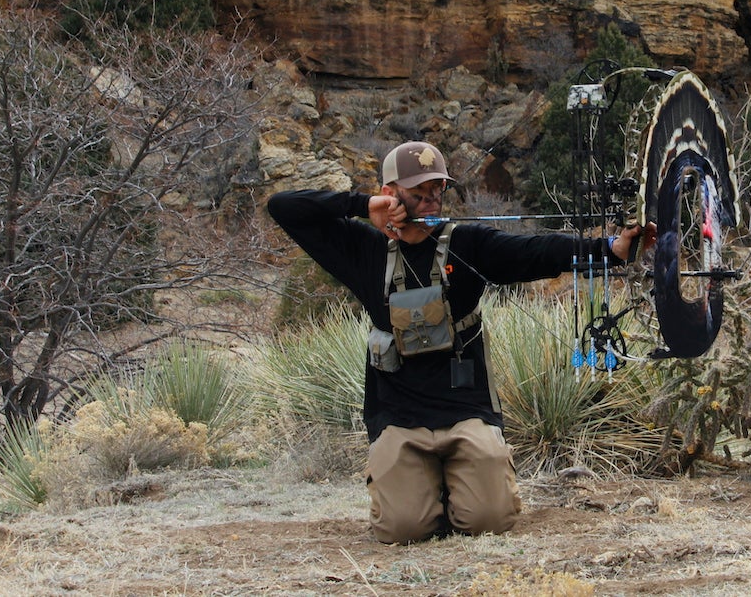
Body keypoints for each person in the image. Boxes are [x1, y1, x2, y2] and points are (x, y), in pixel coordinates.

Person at [267, 141, 654, 544]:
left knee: (488, 519)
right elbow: (283, 206)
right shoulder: (362, 249)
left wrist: (610, 249)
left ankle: (460, 485)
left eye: (437, 191)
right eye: (419, 194)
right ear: (390, 194)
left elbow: (535, 250)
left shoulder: (468, 244)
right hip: (398, 416)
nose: (431, 202)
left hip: (466, 410)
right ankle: (426, 490)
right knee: (402, 530)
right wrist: (360, 206)